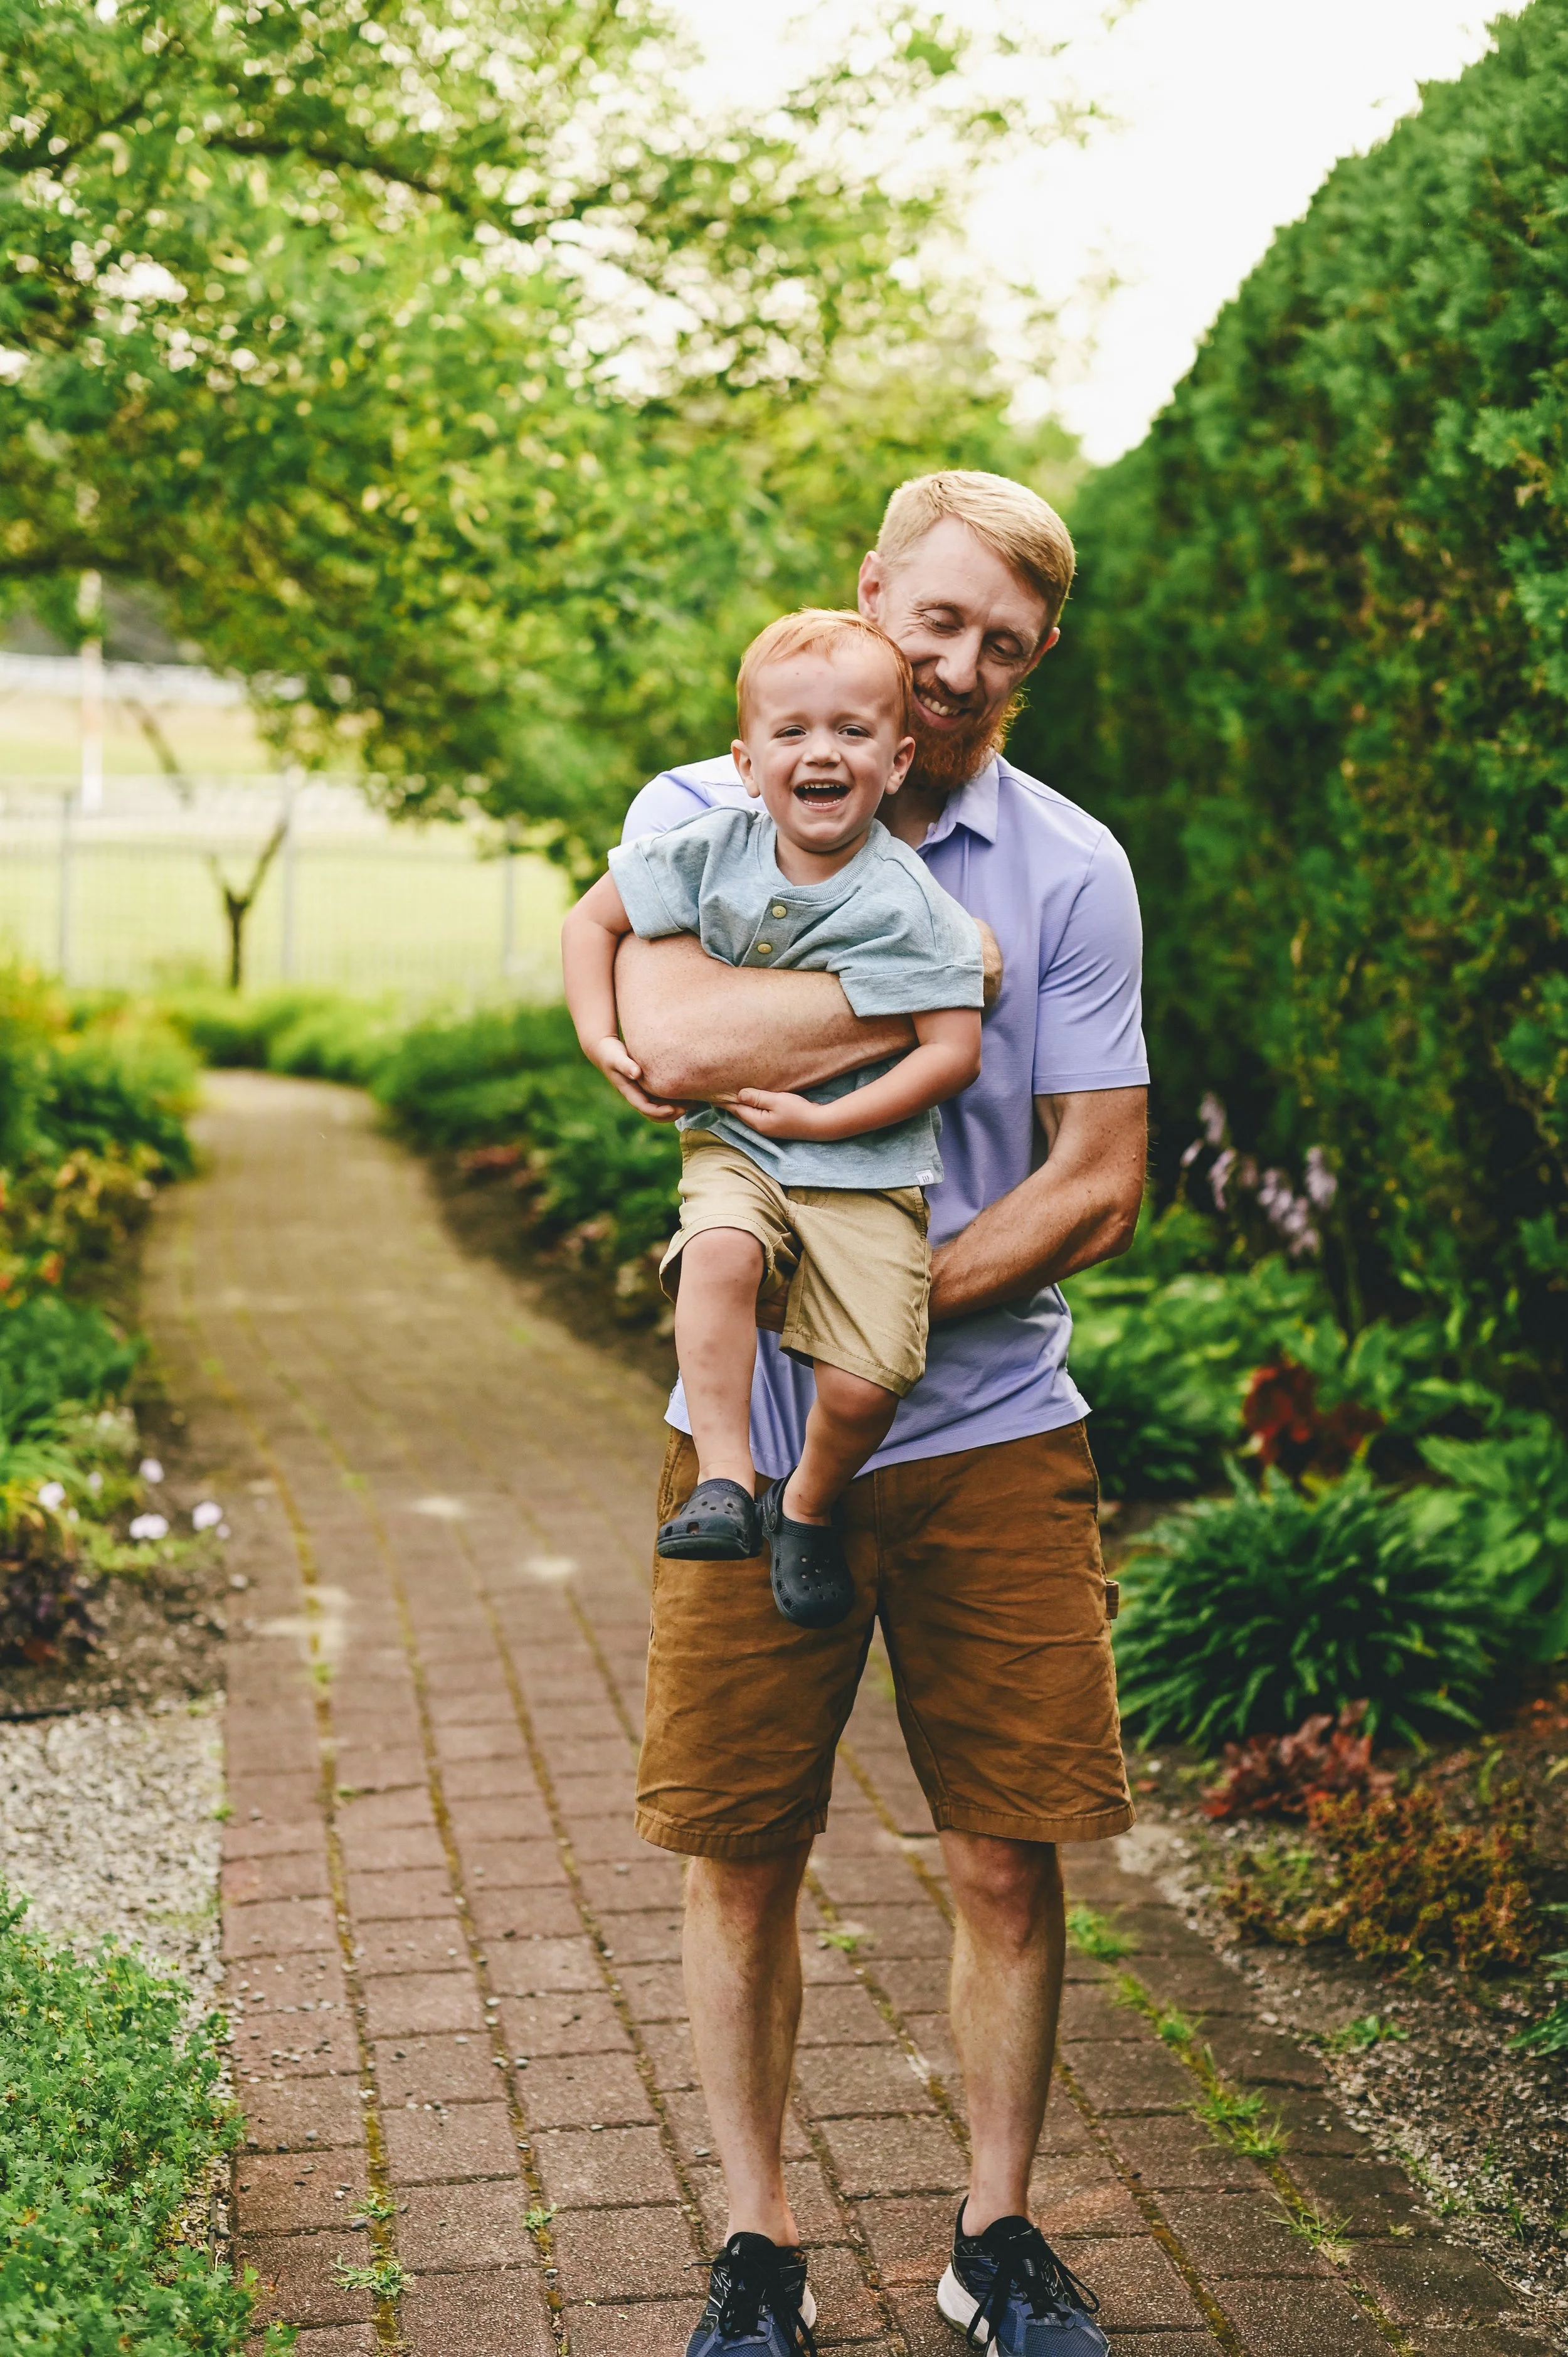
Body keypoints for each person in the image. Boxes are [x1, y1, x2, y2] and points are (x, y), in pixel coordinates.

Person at [612, 472, 1149, 2356]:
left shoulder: (1070, 865)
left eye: (1002, 644)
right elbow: (668, 1043)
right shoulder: (706, 803)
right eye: (933, 623)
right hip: (747, 1434)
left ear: (1036, 662)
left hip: (992, 1420)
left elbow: (1096, 1175)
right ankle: (756, 2243)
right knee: (739, 1842)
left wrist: (897, 1308)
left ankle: (993, 2236)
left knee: (1008, 1847)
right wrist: (914, 996)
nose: (956, 668)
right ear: (869, 595)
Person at [561, 609, 985, 1627]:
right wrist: (596, 1033)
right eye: (792, 734)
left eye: (851, 731)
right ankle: (724, 1480)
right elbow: (593, 920)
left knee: (866, 1384)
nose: (822, 752)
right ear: (748, 764)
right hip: (740, 1145)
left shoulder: (910, 901)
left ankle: (806, 1504)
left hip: (870, 1167)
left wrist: (830, 1123)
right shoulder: (708, 852)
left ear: (898, 757)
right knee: (715, 1253)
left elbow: (950, 1050)